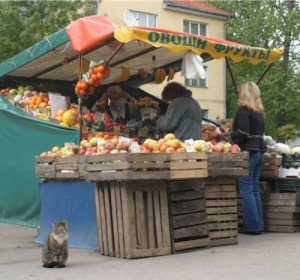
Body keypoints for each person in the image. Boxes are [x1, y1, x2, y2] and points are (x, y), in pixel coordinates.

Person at [229, 81, 267, 235]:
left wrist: (229, 134)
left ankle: (252, 227)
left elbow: (243, 134)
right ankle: (258, 224)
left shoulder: (243, 111)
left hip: (248, 154)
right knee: (254, 189)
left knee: (246, 191)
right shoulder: (259, 113)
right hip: (259, 152)